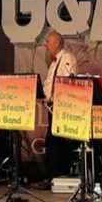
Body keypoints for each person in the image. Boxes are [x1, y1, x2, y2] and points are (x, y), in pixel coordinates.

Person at [38, 31, 78, 188]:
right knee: (52, 142)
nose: (46, 45)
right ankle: (52, 176)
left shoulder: (67, 58)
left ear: (57, 43)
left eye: (48, 42)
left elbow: (69, 81)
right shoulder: (54, 62)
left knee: (56, 142)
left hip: (62, 106)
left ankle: (56, 176)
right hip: (53, 106)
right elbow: (50, 83)